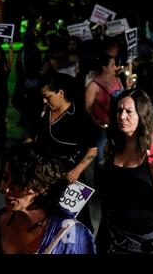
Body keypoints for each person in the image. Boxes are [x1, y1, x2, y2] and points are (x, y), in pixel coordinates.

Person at [96, 89, 153, 254]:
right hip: (113, 237)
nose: (122, 116)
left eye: (129, 112)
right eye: (119, 111)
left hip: (145, 243)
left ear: (142, 115)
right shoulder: (113, 145)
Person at [0, 142, 96, 254]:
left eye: (17, 182)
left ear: (42, 186)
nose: (4, 188)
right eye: (4, 178)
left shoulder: (73, 237)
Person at [27, 73, 98, 231]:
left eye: (47, 96)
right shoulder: (44, 111)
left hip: (69, 174)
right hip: (44, 172)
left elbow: (92, 150)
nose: (44, 101)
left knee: (77, 220)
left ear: (60, 93)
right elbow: (32, 137)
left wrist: (77, 171)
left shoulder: (79, 117)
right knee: (45, 217)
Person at [85, 53, 124, 189]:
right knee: (100, 158)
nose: (116, 67)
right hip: (103, 128)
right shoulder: (93, 86)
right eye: (113, 65)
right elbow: (88, 108)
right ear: (104, 67)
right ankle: (99, 186)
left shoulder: (117, 80)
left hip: (118, 126)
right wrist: (95, 120)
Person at [0, 43, 14, 154]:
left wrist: (10, 47)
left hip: (1, 98)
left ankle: (2, 145)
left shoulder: (4, 66)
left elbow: (11, 60)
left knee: (1, 121)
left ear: (0, 55)